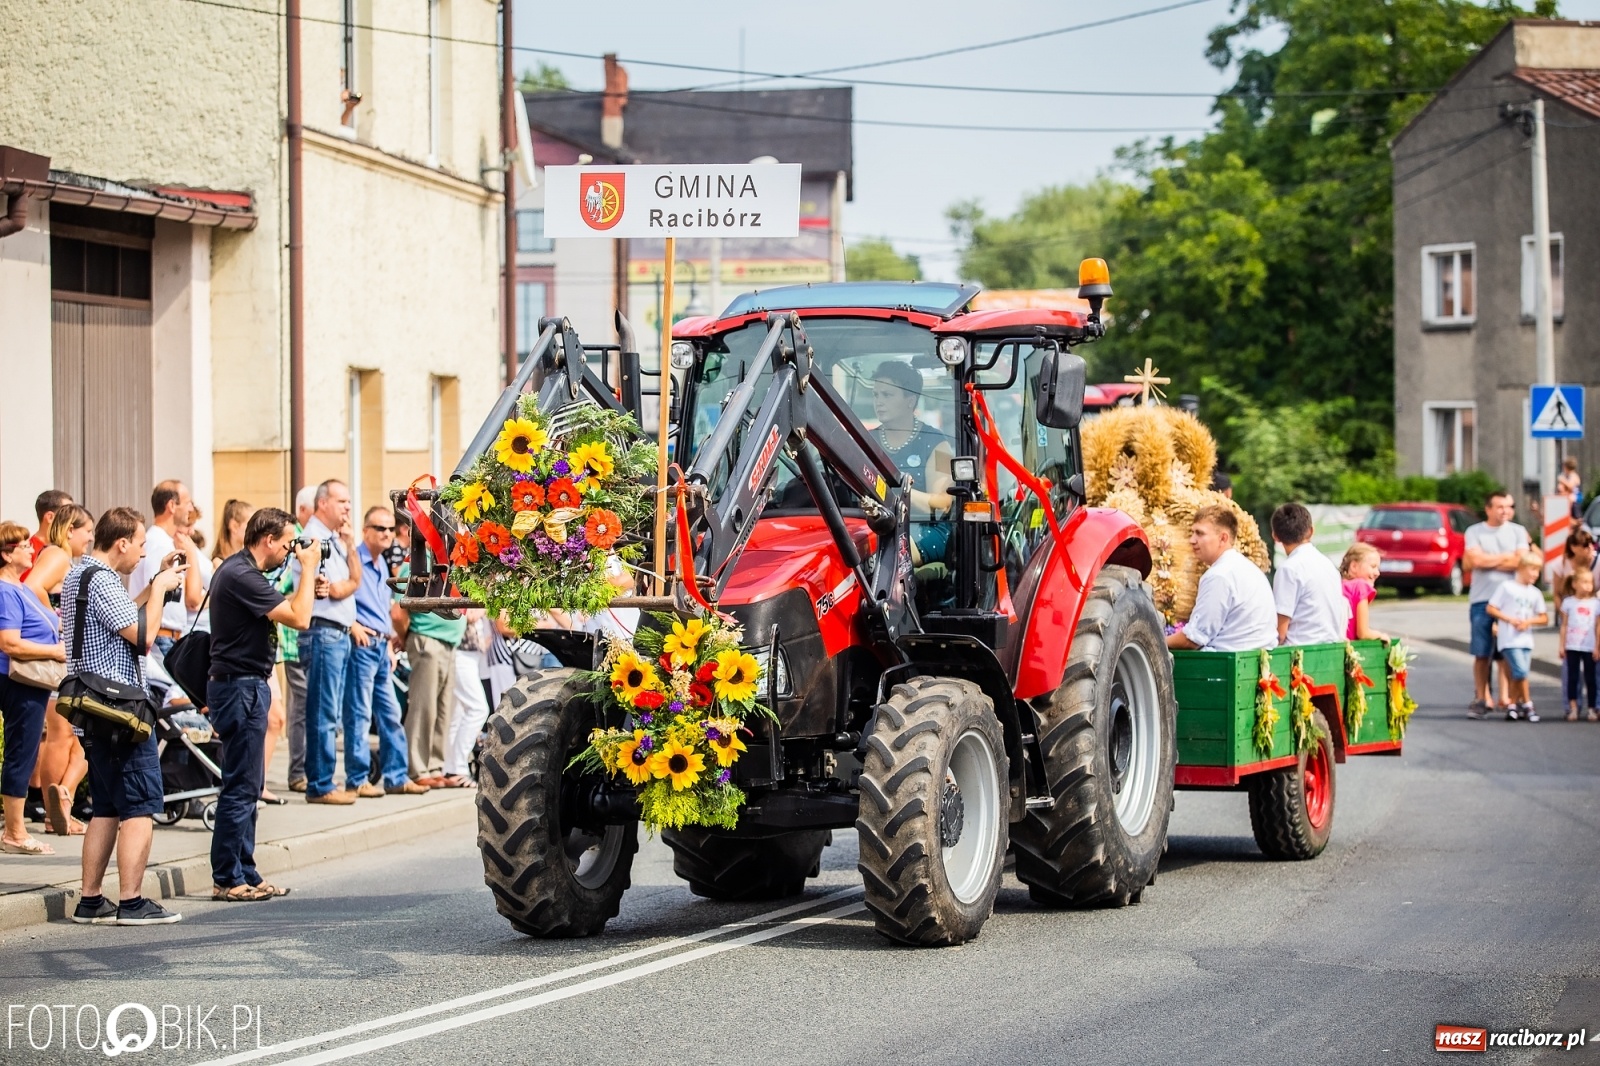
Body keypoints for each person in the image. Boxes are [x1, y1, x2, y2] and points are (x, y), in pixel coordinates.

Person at [65, 507, 186, 925]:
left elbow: (122, 618)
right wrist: (160, 593)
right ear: (121, 543)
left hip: (92, 706)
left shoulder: (80, 574)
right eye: (139, 545)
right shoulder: (102, 579)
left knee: (106, 808)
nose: (141, 553)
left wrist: (154, 584)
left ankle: (91, 900)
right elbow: (143, 635)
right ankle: (132, 901)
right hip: (120, 710)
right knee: (139, 805)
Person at [206, 507, 319, 901]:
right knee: (240, 787)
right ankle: (227, 878)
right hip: (240, 689)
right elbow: (301, 618)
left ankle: (246, 872)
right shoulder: (241, 574)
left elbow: (285, 606)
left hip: (243, 686)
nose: (290, 551)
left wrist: (304, 585)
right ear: (268, 540)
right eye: (288, 543)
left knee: (247, 784)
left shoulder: (242, 573)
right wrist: (308, 569)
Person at [22, 504, 94, 836]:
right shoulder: (58, 556)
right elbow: (32, 586)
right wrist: (58, 621)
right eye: (87, 531)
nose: (91, 538)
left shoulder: (63, 558)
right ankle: (57, 810)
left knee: (72, 738)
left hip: (63, 654)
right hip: (58, 654)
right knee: (63, 735)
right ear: (70, 531)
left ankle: (61, 802)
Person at [344, 506, 422, 796]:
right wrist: (352, 623)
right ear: (365, 531)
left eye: (391, 529)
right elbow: (340, 596)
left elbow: (382, 610)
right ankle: (357, 778)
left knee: (390, 714)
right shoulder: (354, 559)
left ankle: (396, 777)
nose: (387, 534)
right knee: (360, 714)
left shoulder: (379, 565)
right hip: (362, 646)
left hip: (380, 645)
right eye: (380, 528)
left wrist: (389, 643)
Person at [292, 480, 361, 805]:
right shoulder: (312, 538)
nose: (348, 507)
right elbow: (334, 589)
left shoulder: (334, 538)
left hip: (337, 632)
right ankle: (319, 784)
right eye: (342, 501)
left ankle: (323, 779)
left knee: (330, 712)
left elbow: (352, 584)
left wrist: (349, 546)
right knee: (322, 712)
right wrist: (346, 583)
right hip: (323, 631)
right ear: (322, 504)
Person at [0, 523, 66, 856]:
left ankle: (15, 829)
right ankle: (14, 832)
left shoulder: (22, 588)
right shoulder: (6, 591)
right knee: (21, 752)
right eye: (23, 545)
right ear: (5, 554)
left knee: (24, 751)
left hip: (30, 682)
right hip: (18, 681)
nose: (30, 548)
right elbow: (9, 642)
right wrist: (54, 652)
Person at [871, 360, 954, 565]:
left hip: (925, 529)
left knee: (881, 559)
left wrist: (891, 493)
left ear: (910, 400)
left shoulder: (938, 444)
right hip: (874, 527)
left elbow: (943, 505)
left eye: (887, 395)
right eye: (876, 395)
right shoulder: (865, 441)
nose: (878, 402)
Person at [393, 560, 466, 788]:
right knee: (423, 708)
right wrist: (407, 639)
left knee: (443, 710)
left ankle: (434, 767)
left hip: (448, 644)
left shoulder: (448, 563)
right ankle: (417, 768)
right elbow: (398, 613)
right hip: (427, 639)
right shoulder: (416, 564)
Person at [1167, 506, 1278, 653]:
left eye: (1200, 533)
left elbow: (1193, 639)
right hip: (1253, 661)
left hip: (1225, 668)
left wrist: (1156, 641)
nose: (1192, 540)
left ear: (1223, 538)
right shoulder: (1249, 568)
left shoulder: (1219, 575)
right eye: (1192, 533)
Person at [1465, 491, 1531, 718]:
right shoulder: (1475, 531)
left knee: (1507, 652)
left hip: (1510, 604)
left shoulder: (1518, 531)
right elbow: (1475, 561)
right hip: (1482, 600)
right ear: (1489, 509)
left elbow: (1521, 562)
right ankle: (1482, 698)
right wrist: (1506, 558)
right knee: (1481, 652)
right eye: (1500, 506)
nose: (1506, 511)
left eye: (1509, 506)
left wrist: (1489, 560)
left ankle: (1510, 698)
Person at [127, 480, 204, 662]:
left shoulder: (163, 541)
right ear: (171, 506)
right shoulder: (159, 543)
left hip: (166, 637)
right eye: (187, 503)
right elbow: (156, 594)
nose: (191, 508)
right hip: (160, 638)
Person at [1270, 502, 1349, 646]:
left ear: (1275, 536)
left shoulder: (1288, 569)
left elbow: (1280, 633)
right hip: (1331, 648)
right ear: (1311, 531)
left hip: (1298, 654)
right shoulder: (1328, 565)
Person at [1485, 551, 1549, 722]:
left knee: (1519, 674)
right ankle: (1528, 705)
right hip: (1509, 639)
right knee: (1520, 671)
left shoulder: (1535, 593)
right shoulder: (1507, 587)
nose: (1535, 574)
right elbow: (1491, 608)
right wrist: (1509, 619)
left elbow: (1544, 617)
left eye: (1538, 571)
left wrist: (1528, 622)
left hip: (1525, 639)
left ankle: (1513, 706)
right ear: (1521, 568)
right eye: (1532, 570)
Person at [282, 484, 316, 793]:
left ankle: (301, 769)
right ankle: (296, 772)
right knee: (301, 705)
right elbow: (280, 588)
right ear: (303, 510)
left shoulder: (308, 540)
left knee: (304, 705)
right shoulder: (293, 541)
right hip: (292, 635)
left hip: (301, 634)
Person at [442, 611, 492, 788]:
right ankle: (458, 767)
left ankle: (451, 768)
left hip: (470, 654)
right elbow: (469, 614)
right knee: (478, 709)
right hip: (461, 653)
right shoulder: (466, 589)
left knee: (458, 713)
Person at [1557, 566, 1600, 723]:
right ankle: (1573, 707)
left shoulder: (1596, 603)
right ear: (1574, 584)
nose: (1588, 585)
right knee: (1572, 677)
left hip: (1589, 645)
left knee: (1591, 678)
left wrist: (1597, 646)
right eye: (1584, 582)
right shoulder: (1568, 602)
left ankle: (1592, 708)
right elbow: (1564, 626)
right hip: (1572, 645)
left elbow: (1597, 626)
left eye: (1590, 582)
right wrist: (1562, 645)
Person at [18, 490, 72, 584]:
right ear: (50, 517)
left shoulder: (65, 547)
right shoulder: (29, 552)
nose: (73, 519)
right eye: (67, 513)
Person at [1339, 543, 1389, 642]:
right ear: (1354, 566)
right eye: (1373, 566)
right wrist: (1380, 635)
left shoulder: (1338, 586)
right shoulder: (1360, 586)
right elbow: (1363, 633)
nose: (1377, 573)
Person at [1549, 527, 1598, 613]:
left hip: (1593, 609)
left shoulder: (1598, 562)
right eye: (1585, 545)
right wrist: (1564, 617)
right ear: (1573, 548)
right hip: (1569, 608)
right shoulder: (1560, 564)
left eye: (1592, 543)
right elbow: (1557, 594)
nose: (1590, 547)